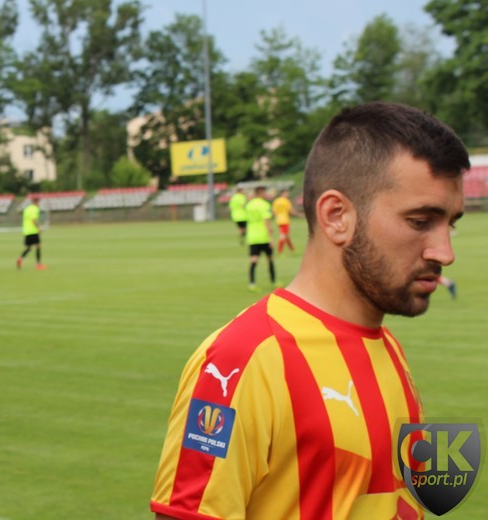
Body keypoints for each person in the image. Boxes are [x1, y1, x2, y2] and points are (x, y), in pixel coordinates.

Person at [150, 102, 469, 520]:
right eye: (420, 221)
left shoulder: (388, 348)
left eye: (451, 224)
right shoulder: (244, 359)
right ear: (336, 216)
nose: (445, 252)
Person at [245, 186, 275, 291]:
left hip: (252, 236)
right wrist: (271, 237)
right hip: (264, 236)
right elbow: (266, 221)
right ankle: (273, 281)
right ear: (261, 192)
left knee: (254, 260)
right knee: (270, 259)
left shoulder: (249, 205)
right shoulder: (264, 205)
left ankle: (252, 284)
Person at [17, 193, 46, 270]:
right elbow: (33, 220)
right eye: (38, 201)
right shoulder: (35, 209)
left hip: (26, 231)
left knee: (29, 248)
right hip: (33, 231)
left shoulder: (27, 209)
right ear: (36, 201)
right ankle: (38, 264)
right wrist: (39, 229)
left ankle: (20, 258)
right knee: (38, 246)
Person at [272, 188, 301, 254]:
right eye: (286, 193)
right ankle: (279, 251)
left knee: (286, 236)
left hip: (278, 220)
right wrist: (299, 215)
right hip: (285, 220)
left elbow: (273, 212)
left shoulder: (276, 201)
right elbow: (291, 211)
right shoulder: (286, 201)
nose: (288, 194)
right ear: (283, 193)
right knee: (283, 236)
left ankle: (292, 249)